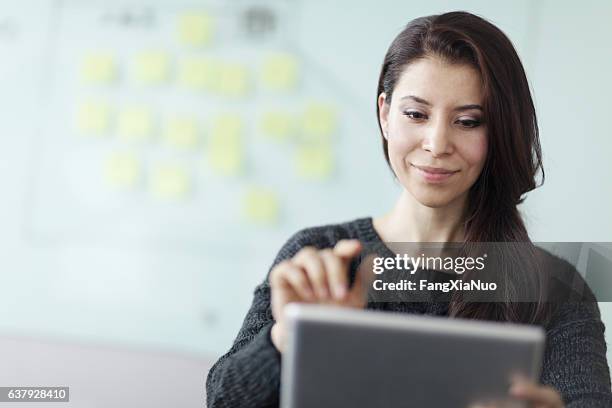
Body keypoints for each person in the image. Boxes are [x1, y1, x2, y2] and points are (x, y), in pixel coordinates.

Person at [206, 11, 612, 407]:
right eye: (416, 114)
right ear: (385, 114)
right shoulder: (321, 256)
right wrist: (286, 338)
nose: (437, 144)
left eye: (468, 121)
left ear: (501, 131)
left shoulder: (555, 290)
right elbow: (222, 399)